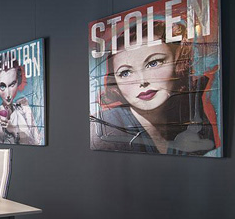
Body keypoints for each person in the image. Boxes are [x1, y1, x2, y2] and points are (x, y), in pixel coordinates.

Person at [90, 20, 219, 155]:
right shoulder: (106, 126)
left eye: (153, 63)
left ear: (177, 63)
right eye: (125, 73)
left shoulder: (192, 114)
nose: (142, 81)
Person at [0, 65, 42, 145]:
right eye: (2, 86)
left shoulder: (23, 107)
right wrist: (13, 130)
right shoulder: (0, 115)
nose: (8, 94)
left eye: (12, 84)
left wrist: (14, 129)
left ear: (18, 82)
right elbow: (3, 146)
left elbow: (37, 142)